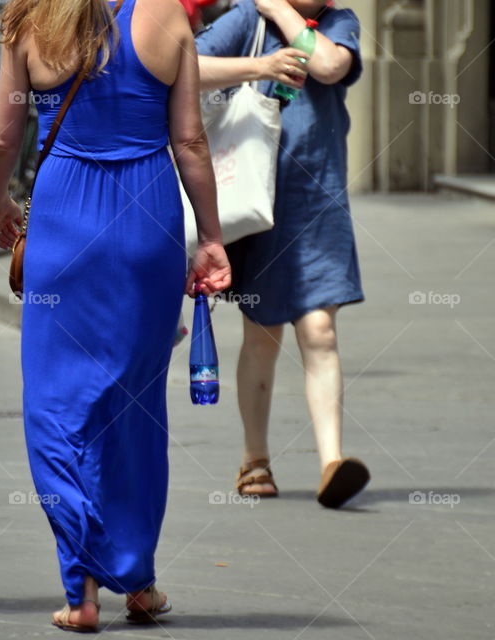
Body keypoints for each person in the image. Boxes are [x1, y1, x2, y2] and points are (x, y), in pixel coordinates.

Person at [0, 0, 230, 631]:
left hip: (65, 224)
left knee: (58, 406)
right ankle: (138, 581)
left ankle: (82, 591)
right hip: (148, 219)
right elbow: (191, 140)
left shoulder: (30, 20)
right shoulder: (168, 18)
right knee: (134, 407)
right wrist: (211, 237)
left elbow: (1, 137)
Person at [195, 0, 370, 508]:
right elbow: (189, 67)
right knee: (263, 334)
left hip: (318, 203)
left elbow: (330, 65)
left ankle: (332, 462)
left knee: (320, 330)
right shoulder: (247, 21)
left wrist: (285, 13)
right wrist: (259, 65)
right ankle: (255, 458)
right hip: (257, 203)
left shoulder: (339, 22)